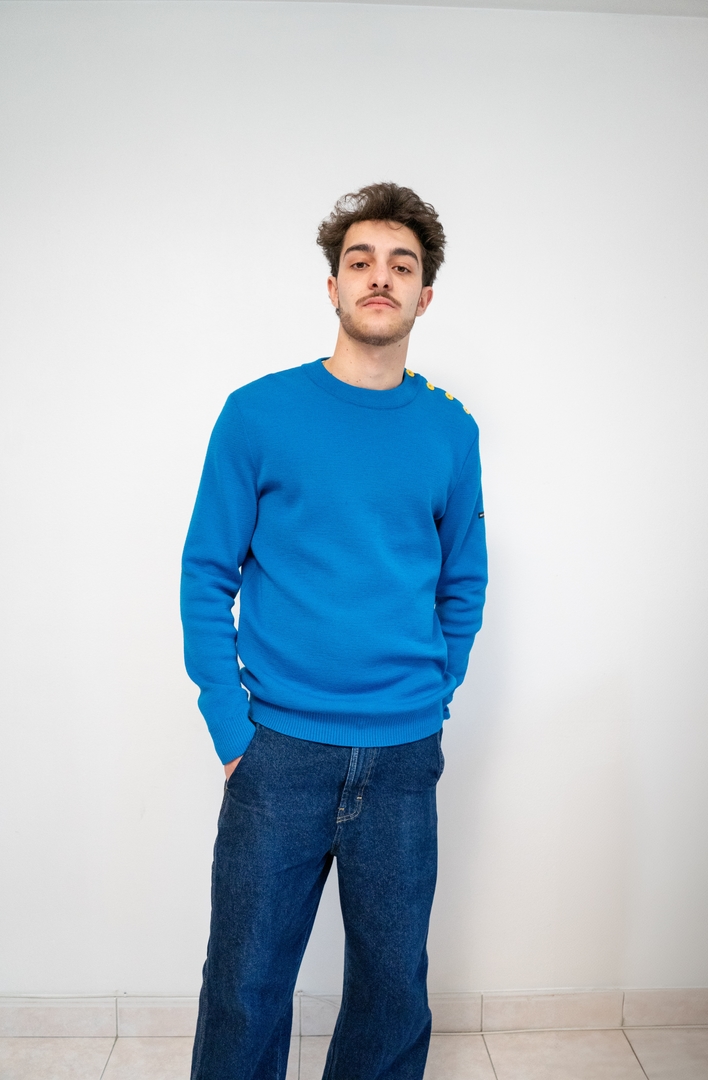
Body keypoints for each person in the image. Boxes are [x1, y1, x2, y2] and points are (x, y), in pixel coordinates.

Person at [180, 181, 488, 1080]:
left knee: (391, 994)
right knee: (244, 988)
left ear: (424, 295)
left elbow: (463, 581)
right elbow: (206, 574)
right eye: (360, 262)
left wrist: (433, 692)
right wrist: (230, 725)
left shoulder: (449, 430)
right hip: (277, 751)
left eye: (401, 265)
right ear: (333, 286)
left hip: (402, 757)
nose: (379, 277)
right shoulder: (257, 413)